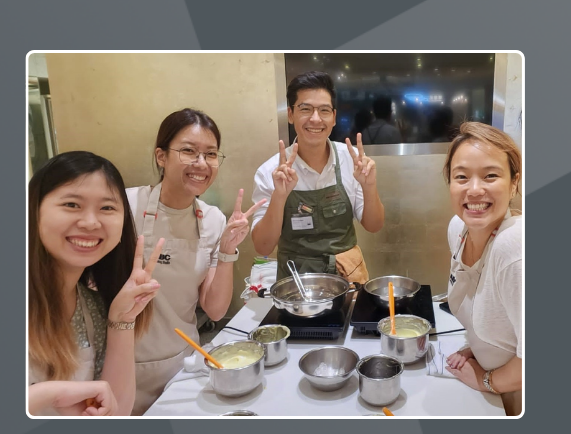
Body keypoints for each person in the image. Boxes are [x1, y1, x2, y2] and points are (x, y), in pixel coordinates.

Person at [119, 109, 263, 410]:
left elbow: (214, 309)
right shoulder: (124, 207)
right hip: (121, 368)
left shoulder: (211, 219)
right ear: (161, 156)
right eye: (188, 151)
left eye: (211, 154)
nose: (201, 164)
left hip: (184, 366)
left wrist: (227, 250)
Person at [27, 151, 162, 416]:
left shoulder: (93, 308)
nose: (90, 222)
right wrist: (48, 396)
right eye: (72, 205)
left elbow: (117, 411)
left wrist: (121, 319)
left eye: (107, 208)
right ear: (34, 209)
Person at [251, 71, 386, 276]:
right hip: (295, 284)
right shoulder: (270, 171)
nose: (315, 119)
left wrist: (369, 186)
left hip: (348, 278)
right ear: (290, 114)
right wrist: (279, 196)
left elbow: (374, 225)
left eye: (324, 110)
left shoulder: (351, 160)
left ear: (333, 117)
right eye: (305, 109)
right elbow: (263, 247)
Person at [440, 122, 524, 416]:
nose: (474, 190)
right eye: (461, 176)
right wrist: (476, 348)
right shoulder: (458, 229)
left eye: (490, 175)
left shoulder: (514, 247)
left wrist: (486, 381)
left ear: (514, 182)